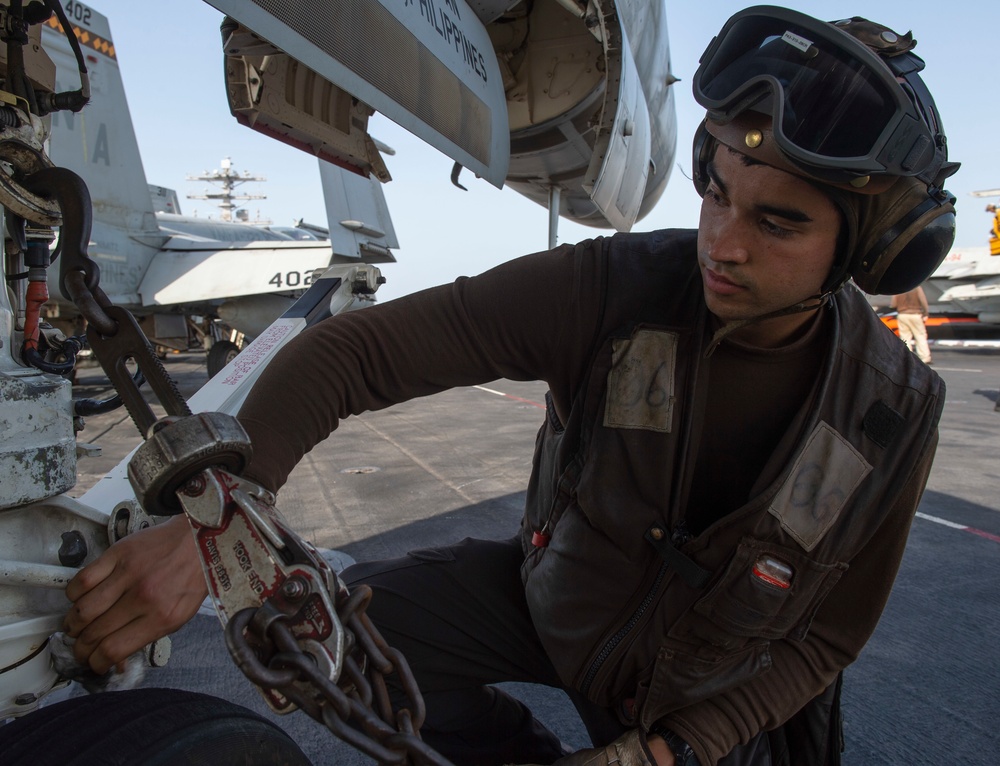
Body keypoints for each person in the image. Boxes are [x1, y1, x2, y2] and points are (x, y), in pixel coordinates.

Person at [62, 8, 959, 766]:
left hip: (715, 684)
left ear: (872, 251)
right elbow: (353, 357)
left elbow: (827, 636)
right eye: (715, 192)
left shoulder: (894, 408)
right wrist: (215, 522)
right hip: (560, 607)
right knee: (339, 637)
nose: (721, 242)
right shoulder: (613, 289)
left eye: (778, 222)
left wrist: (670, 751)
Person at [890, 286, 932, 364]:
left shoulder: (899, 288)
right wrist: (925, 313)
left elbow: (893, 304)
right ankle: (925, 358)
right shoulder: (917, 287)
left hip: (902, 315)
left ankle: (907, 358)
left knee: (905, 337)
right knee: (920, 336)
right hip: (915, 314)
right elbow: (923, 301)